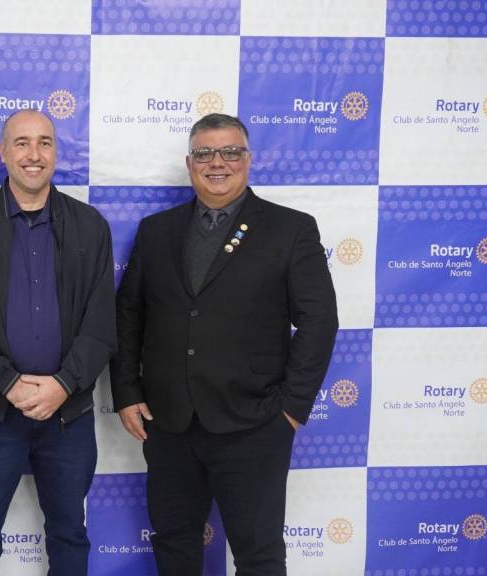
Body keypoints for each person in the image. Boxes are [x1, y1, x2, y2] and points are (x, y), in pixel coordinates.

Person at [110, 113, 338, 575]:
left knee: (258, 555)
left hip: (254, 423)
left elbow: (319, 321)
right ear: (189, 163)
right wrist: (127, 392)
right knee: (174, 546)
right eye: (205, 153)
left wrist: (291, 409)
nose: (218, 163)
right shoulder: (157, 230)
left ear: (248, 160)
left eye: (230, 152)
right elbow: (129, 315)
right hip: (169, 424)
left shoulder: (291, 229)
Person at [0, 109, 116, 576]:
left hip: (68, 416)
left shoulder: (90, 226)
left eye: (44, 142)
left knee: (70, 535)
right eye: (22, 143)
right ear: (3, 153)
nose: (33, 154)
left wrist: (64, 384)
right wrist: (9, 384)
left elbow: (101, 324)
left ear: (56, 153)